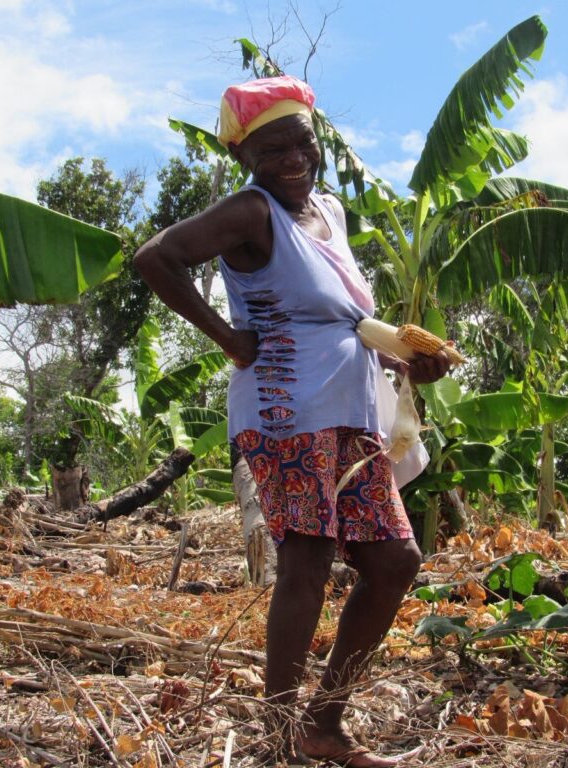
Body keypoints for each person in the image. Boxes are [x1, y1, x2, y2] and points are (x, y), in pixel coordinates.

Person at [135, 75, 451, 767]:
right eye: (270, 148)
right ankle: (281, 741)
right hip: (286, 411)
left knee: (394, 561)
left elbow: (342, 317)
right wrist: (228, 338)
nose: (290, 159)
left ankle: (323, 724)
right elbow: (155, 258)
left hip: (350, 413)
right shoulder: (252, 212)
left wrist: (410, 361)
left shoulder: (329, 212)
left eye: (300, 143)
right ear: (244, 156)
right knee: (306, 561)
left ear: (317, 143)